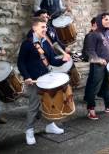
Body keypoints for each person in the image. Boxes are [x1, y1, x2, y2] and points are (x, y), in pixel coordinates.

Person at [18, 17, 69, 145]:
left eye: (46, 27)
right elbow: (21, 63)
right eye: (42, 27)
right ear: (34, 28)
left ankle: (50, 125)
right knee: (34, 107)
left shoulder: (46, 43)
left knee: (48, 103)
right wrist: (26, 76)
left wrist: (63, 59)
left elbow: (52, 61)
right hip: (34, 80)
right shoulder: (27, 44)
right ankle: (29, 130)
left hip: (46, 79)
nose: (45, 29)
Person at [84, 13, 109, 120]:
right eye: (106, 19)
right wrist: (99, 60)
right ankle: (90, 109)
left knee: (107, 85)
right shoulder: (93, 34)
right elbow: (90, 51)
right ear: (99, 21)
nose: (108, 21)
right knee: (94, 87)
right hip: (97, 66)